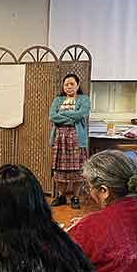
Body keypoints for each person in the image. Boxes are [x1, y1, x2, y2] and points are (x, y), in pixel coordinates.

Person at [49, 74, 91, 210]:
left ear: (78, 85)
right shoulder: (58, 99)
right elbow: (52, 116)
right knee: (60, 169)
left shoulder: (84, 99)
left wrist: (62, 116)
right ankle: (61, 196)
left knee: (78, 170)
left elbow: (81, 114)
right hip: (59, 138)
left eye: (72, 84)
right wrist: (72, 117)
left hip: (77, 138)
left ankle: (75, 197)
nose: (68, 87)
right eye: (66, 84)